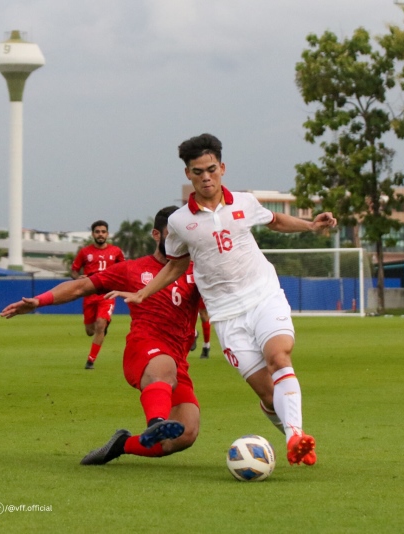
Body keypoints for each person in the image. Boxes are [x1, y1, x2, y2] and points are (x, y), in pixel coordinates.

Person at [117, 134, 337, 466]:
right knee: (267, 393)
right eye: (197, 172)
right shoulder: (179, 222)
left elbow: (274, 220)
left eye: (210, 169)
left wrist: (310, 224)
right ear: (188, 175)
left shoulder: (245, 202)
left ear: (222, 167)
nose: (206, 177)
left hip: (264, 297)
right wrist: (144, 293)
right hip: (226, 316)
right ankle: (291, 432)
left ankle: (295, 437)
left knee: (279, 356)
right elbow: (176, 263)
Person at [1, 206, 201, 465]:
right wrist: (39, 301)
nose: (178, 241)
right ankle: (157, 421)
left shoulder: (197, 270)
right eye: (171, 234)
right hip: (145, 349)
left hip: (178, 359)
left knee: (186, 434)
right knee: (163, 368)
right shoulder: (132, 269)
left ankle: (122, 444)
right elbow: (80, 286)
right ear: (156, 234)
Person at [70, 220, 125, 369]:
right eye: (97, 232)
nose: (100, 234)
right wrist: (77, 278)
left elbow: (124, 268)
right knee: (90, 331)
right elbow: (74, 270)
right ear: (93, 234)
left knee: (100, 325)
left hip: (107, 295)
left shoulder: (116, 251)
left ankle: (90, 361)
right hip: (89, 294)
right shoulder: (85, 252)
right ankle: (103, 326)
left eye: (103, 232)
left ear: (107, 234)